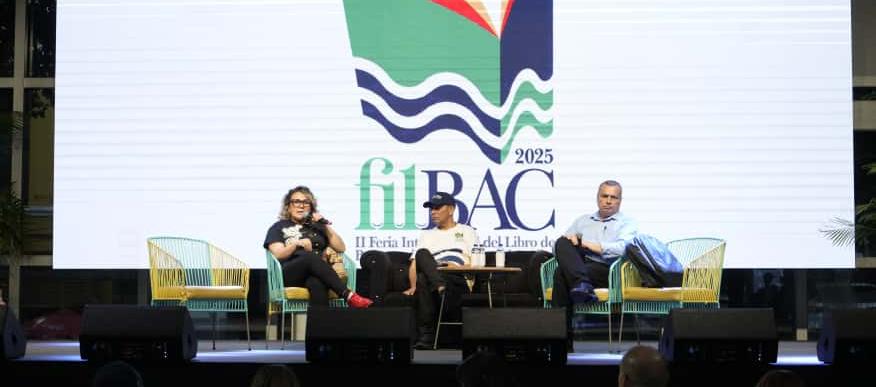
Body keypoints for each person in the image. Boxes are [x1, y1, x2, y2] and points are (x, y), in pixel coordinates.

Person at [264, 185, 372, 308]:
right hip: (289, 274)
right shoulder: (278, 227)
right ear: (288, 207)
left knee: (317, 283)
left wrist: (324, 225)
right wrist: (296, 244)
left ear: (311, 208)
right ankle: (348, 295)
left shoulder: (318, 228)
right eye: (296, 202)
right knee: (307, 256)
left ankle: (321, 326)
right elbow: (278, 254)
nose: (301, 205)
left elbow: (341, 247)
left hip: (317, 273)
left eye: (306, 202)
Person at [407, 191, 478, 349]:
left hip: (458, 277)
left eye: (438, 208)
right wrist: (413, 286)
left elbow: (477, 263)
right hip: (436, 275)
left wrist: (458, 267)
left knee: (425, 279)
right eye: (431, 208)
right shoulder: (427, 235)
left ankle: (426, 338)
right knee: (421, 254)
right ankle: (441, 287)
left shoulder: (467, 231)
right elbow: (414, 264)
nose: (433, 212)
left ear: (451, 209)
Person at [553, 180, 638, 306]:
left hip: (609, 270)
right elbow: (558, 250)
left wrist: (587, 245)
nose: (608, 201)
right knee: (562, 241)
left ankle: (562, 322)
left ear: (620, 200)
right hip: (581, 265)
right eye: (604, 196)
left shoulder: (626, 223)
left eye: (613, 197)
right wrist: (573, 241)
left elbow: (622, 249)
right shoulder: (583, 220)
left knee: (561, 273)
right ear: (598, 197)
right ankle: (582, 284)